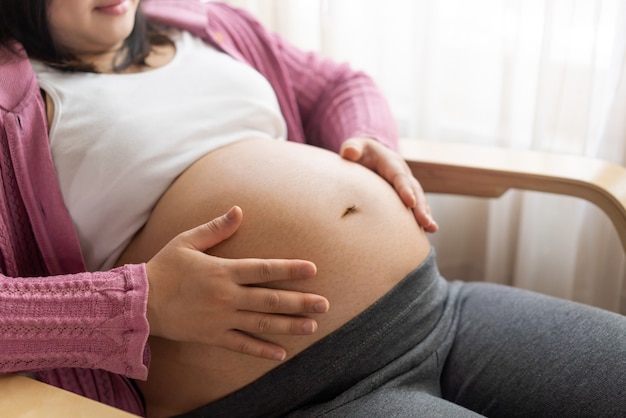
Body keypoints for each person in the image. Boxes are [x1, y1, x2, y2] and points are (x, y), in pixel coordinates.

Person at [0, 1, 624, 417]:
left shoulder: (201, 23)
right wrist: (139, 303)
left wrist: (369, 140)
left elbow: (338, 84)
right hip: (294, 397)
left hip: (441, 310)